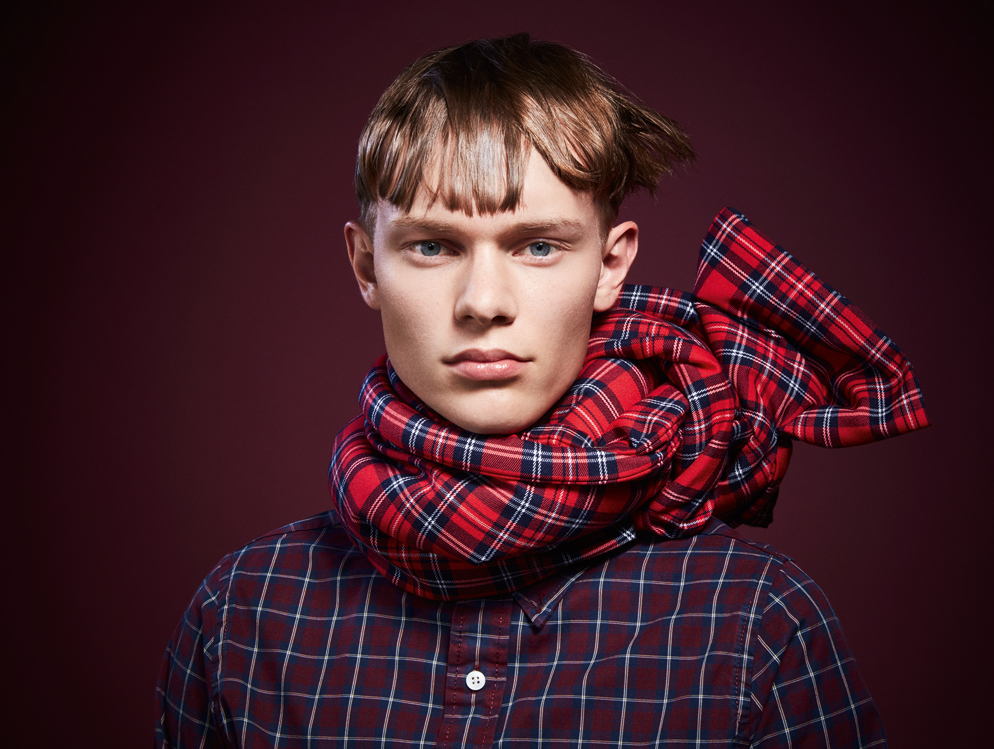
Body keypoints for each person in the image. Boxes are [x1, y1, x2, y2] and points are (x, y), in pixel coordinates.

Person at [156, 34, 928, 747]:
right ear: (367, 267)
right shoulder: (248, 613)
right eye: (433, 245)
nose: (484, 302)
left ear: (610, 265)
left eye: (537, 246)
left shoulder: (754, 621)